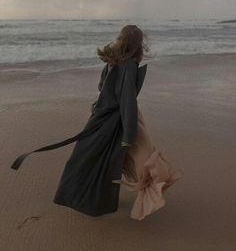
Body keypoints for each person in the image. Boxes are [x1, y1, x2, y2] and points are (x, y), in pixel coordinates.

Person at [10, 25, 182, 220]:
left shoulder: (113, 59)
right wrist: (129, 134)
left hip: (99, 115)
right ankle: (128, 196)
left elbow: (101, 86)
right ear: (138, 44)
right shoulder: (129, 64)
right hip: (116, 119)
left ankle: (83, 197)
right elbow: (127, 100)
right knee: (125, 158)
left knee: (91, 157)